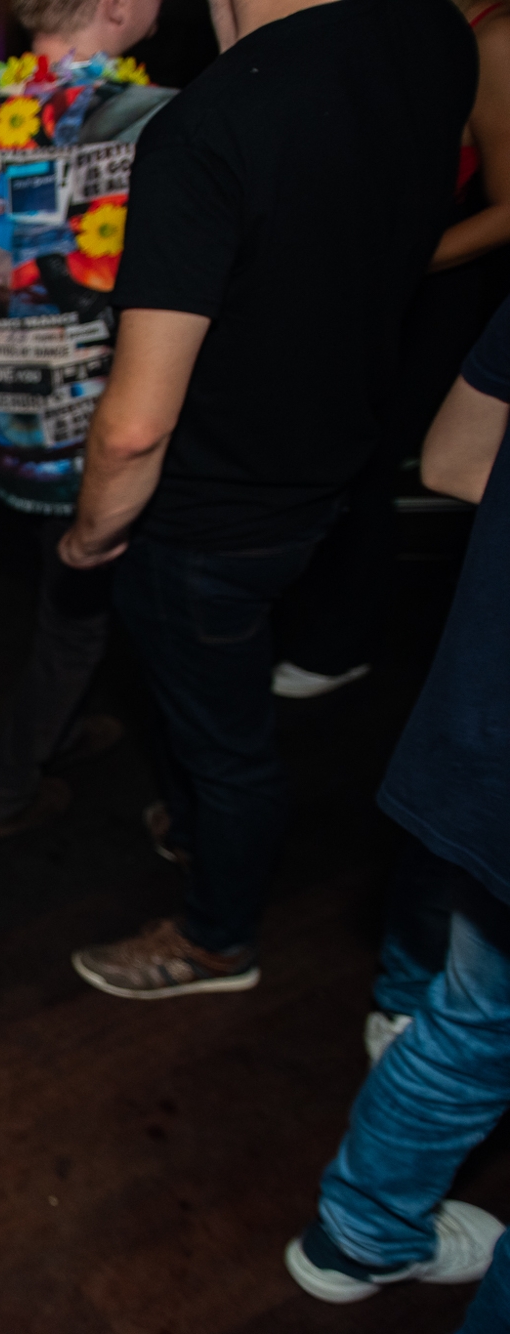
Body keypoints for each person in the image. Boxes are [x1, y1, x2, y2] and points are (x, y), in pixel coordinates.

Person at [58, 0, 476, 999]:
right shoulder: (430, 40)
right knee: (214, 709)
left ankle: (216, 937)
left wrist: (88, 536)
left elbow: (133, 427)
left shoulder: (207, 126)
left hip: (210, 510)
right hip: (337, 460)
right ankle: (201, 825)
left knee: (223, 738)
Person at [282, 294, 510, 1316]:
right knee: (480, 1022)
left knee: (458, 957)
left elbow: (456, 461)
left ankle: (398, 1020)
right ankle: (363, 1232)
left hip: (479, 708)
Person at [0, 0, 171, 840]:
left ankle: (64, 727)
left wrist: (1, 347)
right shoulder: (160, 122)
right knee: (100, 623)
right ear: (117, 4)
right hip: (120, 437)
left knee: (67, 601)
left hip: (9, 435)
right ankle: (7, 790)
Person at [273, 0, 510, 699]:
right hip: (371, 290)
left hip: (432, 293)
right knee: (336, 454)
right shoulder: (399, 19)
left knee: (370, 464)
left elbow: (509, 209)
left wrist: (390, 267)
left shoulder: (495, 37)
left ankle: (344, 642)